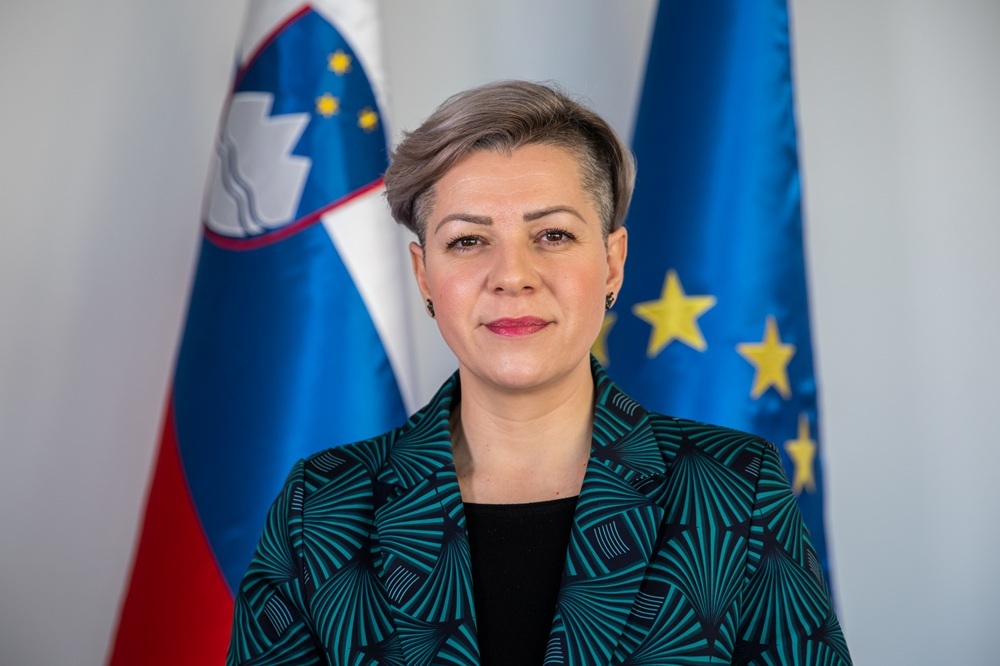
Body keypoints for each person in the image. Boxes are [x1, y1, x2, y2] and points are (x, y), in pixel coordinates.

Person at [227, 80, 852, 665]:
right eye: (468, 241)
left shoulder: (735, 488)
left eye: (552, 235)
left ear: (612, 263)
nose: (512, 276)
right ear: (424, 275)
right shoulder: (323, 509)